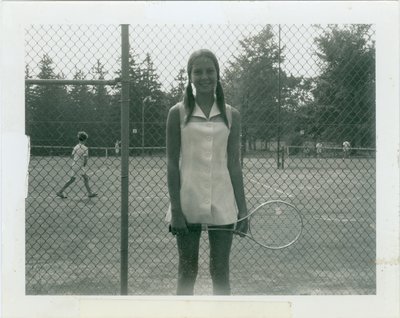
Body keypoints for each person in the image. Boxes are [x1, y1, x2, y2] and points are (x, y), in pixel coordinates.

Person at [166, 49, 248, 295]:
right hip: (187, 201)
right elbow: (171, 163)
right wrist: (176, 210)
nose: (204, 76)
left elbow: (234, 164)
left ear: (218, 74)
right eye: (198, 71)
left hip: (222, 201)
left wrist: (242, 209)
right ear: (189, 76)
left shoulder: (231, 115)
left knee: (220, 271)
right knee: (187, 271)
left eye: (209, 71)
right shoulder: (177, 113)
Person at [56, 131, 97, 199]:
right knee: (85, 178)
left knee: (72, 179)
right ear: (85, 139)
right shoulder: (85, 148)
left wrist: (77, 159)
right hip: (79, 166)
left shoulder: (76, 146)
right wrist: (84, 164)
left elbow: (72, 156)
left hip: (74, 164)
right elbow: (85, 158)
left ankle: (60, 191)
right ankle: (90, 193)